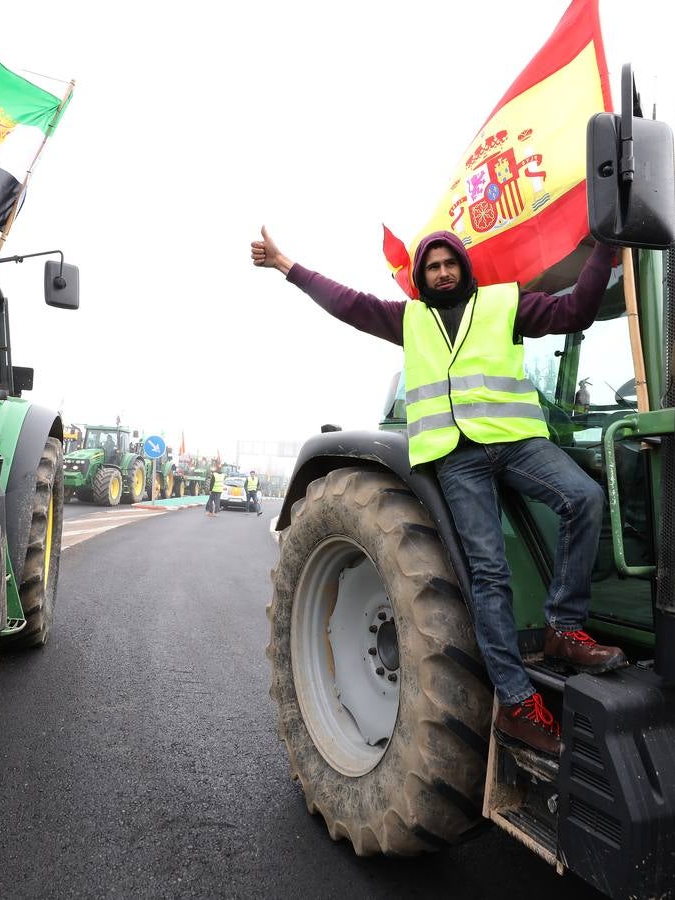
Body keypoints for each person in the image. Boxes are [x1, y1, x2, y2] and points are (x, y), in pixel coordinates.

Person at [251, 226, 626, 757]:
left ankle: (563, 625)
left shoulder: (503, 305)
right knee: (489, 574)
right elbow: (347, 304)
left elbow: (577, 312)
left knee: (583, 497)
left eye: (451, 263)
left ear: (465, 269)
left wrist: (607, 247)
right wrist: (288, 265)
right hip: (458, 459)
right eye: (433, 266)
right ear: (422, 277)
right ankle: (518, 703)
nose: (443, 272)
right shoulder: (408, 320)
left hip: (514, 442)